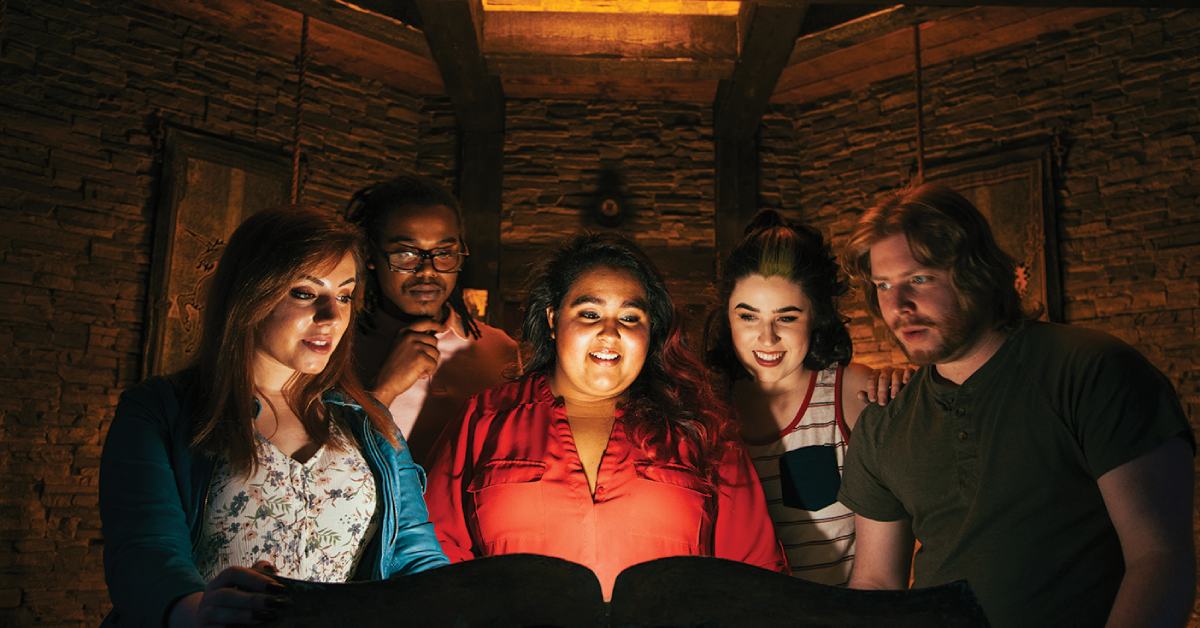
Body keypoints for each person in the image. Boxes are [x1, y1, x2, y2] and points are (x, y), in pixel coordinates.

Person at [838, 184, 1194, 627]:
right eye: (884, 285)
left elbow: (1159, 558)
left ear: (974, 271)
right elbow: (875, 585)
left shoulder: (1093, 371)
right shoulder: (885, 418)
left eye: (920, 279)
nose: (897, 305)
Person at [99, 207, 448, 628]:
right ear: (251, 295)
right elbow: (143, 551)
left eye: (343, 295)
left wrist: (458, 604)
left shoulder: (369, 425)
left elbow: (416, 554)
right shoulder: (160, 410)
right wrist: (194, 610)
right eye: (305, 293)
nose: (332, 316)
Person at [424, 233, 787, 599]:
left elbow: (754, 577)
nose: (610, 332)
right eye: (590, 313)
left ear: (651, 331)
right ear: (553, 320)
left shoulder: (702, 433)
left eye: (630, 317)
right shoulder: (483, 421)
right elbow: (434, 562)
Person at [705, 209, 908, 586]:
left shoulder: (853, 394)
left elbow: (885, 577)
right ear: (727, 316)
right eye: (748, 317)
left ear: (815, 316)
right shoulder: (707, 405)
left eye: (786, 317)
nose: (767, 338)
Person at [345, 175, 518, 465]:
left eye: (444, 253)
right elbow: (321, 478)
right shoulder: (337, 351)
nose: (427, 270)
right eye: (406, 254)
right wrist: (383, 390)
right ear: (371, 255)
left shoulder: (500, 352)